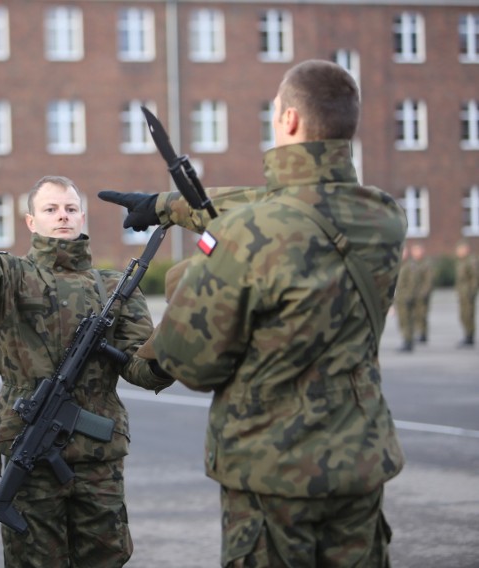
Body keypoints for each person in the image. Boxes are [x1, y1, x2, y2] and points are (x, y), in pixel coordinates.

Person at [101, 60, 405, 566]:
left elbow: (193, 363)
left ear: (287, 120)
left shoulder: (247, 237)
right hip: (360, 462)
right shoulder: (386, 215)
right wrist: (168, 204)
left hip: (273, 476)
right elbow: (284, 202)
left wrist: (187, 286)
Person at [0, 175, 173, 568]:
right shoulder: (12, 278)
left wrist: (174, 349)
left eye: (69, 209)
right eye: (50, 209)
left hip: (98, 460)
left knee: (107, 558)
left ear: (82, 217)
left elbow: (140, 366)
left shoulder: (115, 287)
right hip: (30, 451)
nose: (62, 216)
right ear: (31, 221)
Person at [394, 246, 419, 352]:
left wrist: (408, 296)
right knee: (402, 320)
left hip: (405, 298)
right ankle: (406, 340)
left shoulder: (410, 266)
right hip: (400, 298)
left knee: (407, 320)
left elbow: (412, 283)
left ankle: (408, 341)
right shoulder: (401, 266)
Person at [409, 242, 435, 344]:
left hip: (422, 294)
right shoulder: (412, 264)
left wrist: (424, 292)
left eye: (417, 250)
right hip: (413, 294)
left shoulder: (426, 264)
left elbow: (429, 280)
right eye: (414, 251)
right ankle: (418, 332)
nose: (415, 253)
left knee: (422, 315)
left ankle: (423, 334)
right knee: (415, 315)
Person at [454, 240, 478, 347]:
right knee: (463, 315)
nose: (458, 252)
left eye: (460, 250)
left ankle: (470, 336)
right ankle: (467, 334)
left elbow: (474, 278)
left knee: (468, 315)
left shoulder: (471, 261)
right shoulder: (461, 262)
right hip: (462, 294)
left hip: (468, 293)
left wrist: (472, 291)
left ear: (466, 249)